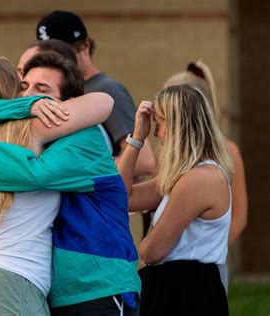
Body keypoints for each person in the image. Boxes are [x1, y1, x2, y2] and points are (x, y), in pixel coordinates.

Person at [0, 52, 140, 315]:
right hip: (8, 284)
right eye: (24, 87)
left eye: (41, 90)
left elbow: (104, 101)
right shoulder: (21, 134)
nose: (30, 96)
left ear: (68, 104)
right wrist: (26, 108)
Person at [119, 84, 233, 316]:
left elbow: (151, 251)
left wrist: (148, 236)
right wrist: (135, 140)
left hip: (187, 292)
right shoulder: (183, 177)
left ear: (177, 126)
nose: (155, 133)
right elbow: (121, 198)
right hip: (176, 289)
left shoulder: (200, 179)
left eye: (159, 124)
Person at [35, 10, 155, 175]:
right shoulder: (59, 88)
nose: (53, 58)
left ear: (85, 46)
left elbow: (144, 161)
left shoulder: (107, 89)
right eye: (46, 53)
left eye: (61, 50)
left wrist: (78, 167)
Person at [164, 60, 248, 291]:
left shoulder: (227, 151)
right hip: (166, 265)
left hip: (205, 266)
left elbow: (239, 216)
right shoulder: (167, 151)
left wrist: (210, 251)